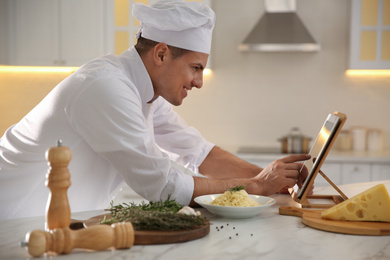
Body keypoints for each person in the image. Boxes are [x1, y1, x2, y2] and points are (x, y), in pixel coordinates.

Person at [0, 0, 310, 220]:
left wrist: (269, 179)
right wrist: (257, 185)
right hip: (12, 224)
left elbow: (200, 154)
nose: (199, 82)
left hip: (55, 226)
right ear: (161, 54)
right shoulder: (106, 88)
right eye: (195, 68)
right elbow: (163, 188)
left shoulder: (143, 91)